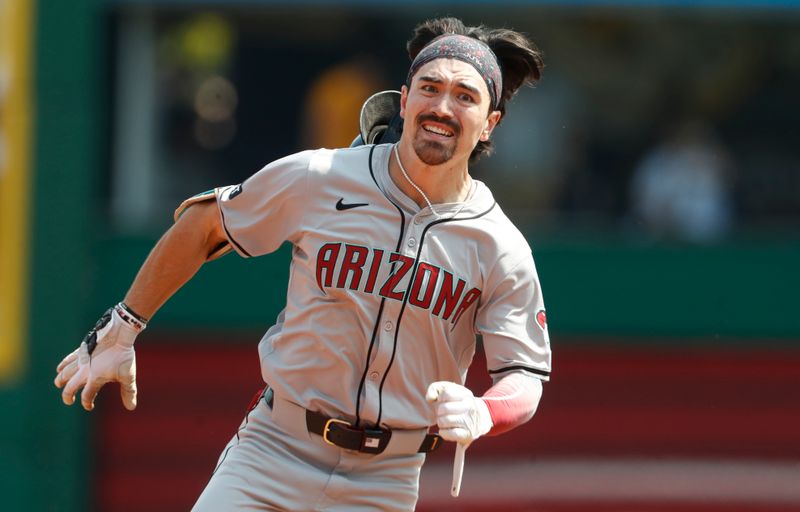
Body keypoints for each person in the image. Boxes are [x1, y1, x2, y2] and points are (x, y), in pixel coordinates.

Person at [54, 17, 552, 511]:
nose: (442, 106)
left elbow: (524, 378)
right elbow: (205, 223)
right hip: (274, 451)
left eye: (465, 96)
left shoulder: (499, 244)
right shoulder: (322, 176)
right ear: (404, 101)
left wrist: (483, 412)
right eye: (430, 87)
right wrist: (124, 324)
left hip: (387, 477)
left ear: (490, 122)